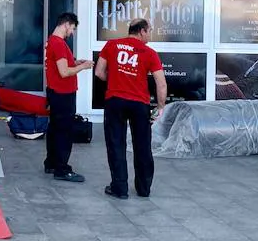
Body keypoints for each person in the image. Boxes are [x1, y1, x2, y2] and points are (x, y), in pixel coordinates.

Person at [94, 18, 167, 200]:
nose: (150, 34)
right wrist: (160, 107)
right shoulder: (149, 53)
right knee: (142, 146)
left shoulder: (111, 45)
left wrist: (114, 80)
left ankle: (119, 188)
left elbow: (99, 72)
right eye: (149, 30)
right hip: (139, 104)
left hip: (115, 101)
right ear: (141, 31)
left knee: (116, 144)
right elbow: (161, 83)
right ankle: (144, 189)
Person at [43, 12, 94, 183]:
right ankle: (62, 168)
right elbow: (64, 72)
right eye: (72, 28)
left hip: (55, 92)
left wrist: (76, 62)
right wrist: (84, 67)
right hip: (63, 94)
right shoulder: (58, 44)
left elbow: (61, 65)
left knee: (54, 129)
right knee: (64, 131)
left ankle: (51, 162)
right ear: (66, 24)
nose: (71, 32)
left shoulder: (53, 41)